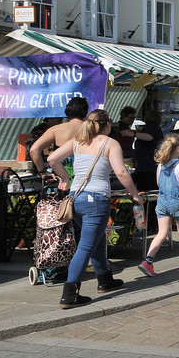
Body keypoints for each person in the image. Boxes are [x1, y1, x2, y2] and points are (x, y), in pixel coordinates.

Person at [47, 109, 142, 308]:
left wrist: (65, 177)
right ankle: (69, 293)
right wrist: (134, 194)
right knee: (86, 245)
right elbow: (121, 172)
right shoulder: (110, 143)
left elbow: (52, 159)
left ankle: (105, 279)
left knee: (96, 240)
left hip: (76, 198)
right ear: (107, 124)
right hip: (96, 200)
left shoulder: (77, 141)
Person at [138, 134, 179, 276]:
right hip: (178, 202)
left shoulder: (161, 165)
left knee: (162, 233)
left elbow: (159, 183)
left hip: (163, 202)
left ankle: (148, 260)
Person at [29, 96, 89, 173]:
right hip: (86, 175)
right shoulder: (93, 130)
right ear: (85, 112)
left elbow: (34, 150)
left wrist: (42, 171)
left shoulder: (55, 129)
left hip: (61, 175)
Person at [131, 109, 164, 192]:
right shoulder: (158, 129)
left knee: (145, 192)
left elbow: (149, 137)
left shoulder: (150, 127)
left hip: (146, 166)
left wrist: (133, 134)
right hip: (153, 166)